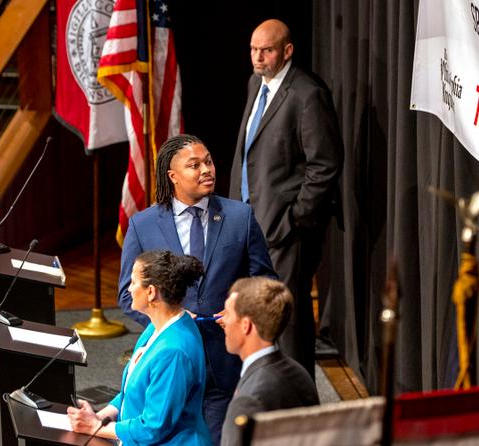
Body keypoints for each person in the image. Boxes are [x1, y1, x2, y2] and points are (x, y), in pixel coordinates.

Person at [117, 134, 276, 445]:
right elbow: (126, 294)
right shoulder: (143, 225)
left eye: (209, 162)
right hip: (171, 357)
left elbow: (266, 280)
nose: (207, 169)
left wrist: (241, 309)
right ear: (173, 176)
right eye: (195, 165)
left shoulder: (240, 217)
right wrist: (170, 320)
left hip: (224, 355)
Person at [229, 19, 344, 378]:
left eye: (266, 50)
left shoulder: (307, 94)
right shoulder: (255, 83)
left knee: (288, 322)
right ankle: (261, 390)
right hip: (249, 220)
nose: (257, 57)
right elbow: (250, 153)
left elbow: (325, 165)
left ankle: (298, 404)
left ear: (287, 51)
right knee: (254, 312)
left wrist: (296, 220)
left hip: (285, 230)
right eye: (253, 49)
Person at [68, 251, 210, 444]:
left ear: (151, 292)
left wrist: (95, 427)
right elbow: (132, 392)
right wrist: (99, 417)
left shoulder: (173, 352)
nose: (128, 289)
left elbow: (153, 427)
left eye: (133, 282)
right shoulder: (155, 327)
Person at [218, 277, 319, 446]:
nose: (223, 321)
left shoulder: (248, 401)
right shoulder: (299, 372)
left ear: (246, 325)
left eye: (227, 314)